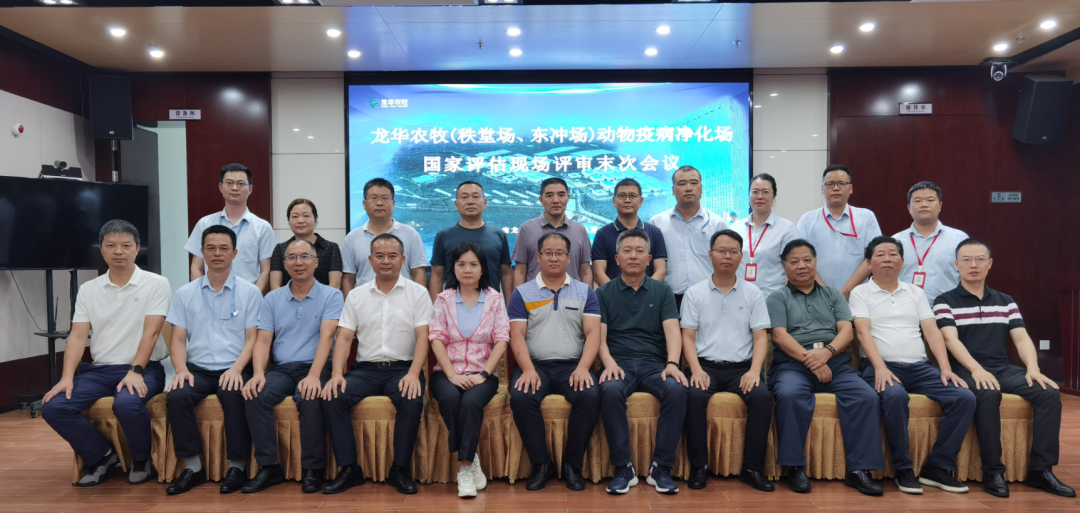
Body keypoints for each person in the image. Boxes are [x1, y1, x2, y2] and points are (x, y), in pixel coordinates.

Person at [934, 238, 1075, 498]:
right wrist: (976, 369)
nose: (973, 265)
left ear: (990, 264)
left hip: (1002, 367)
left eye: (980, 259)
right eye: (966, 260)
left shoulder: (1005, 301)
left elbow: (1021, 338)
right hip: (965, 369)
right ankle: (993, 472)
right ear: (956, 264)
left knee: (1048, 393)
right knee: (988, 394)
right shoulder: (944, 301)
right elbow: (950, 340)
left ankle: (1040, 471)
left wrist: (1033, 368)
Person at [42, 220, 171, 487]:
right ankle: (101, 455)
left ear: (137, 249)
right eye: (111, 245)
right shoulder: (89, 289)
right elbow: (78, 336)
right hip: (101, 370)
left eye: (126, 245)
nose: (118, 251)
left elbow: (152, 333)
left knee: (126, 403)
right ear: (101, 250)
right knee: (54, 407)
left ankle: (141, 459)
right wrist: (66, 377)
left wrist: (135, 370)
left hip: (144, 368)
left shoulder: (156, 283)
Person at [850, 236, 975, 495]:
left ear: (902, 261)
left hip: (920, 368)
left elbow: (931, 331)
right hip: (881, 366)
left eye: (893, 254)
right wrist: (880, 367)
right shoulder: (860, 293)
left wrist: (945, 368)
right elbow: (862, 332)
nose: (887, 259)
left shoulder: (915, 292)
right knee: (895, 396)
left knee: (964, 397)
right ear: (868, 263)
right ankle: (903, 469)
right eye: (880, 254)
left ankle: (937, 467)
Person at [766, 239, 883, 496]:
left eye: (807, 260)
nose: (802, 266)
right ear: (784, 266)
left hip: (835, 362)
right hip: (792, 365)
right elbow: (779, 336)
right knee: (790, 394)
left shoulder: (833, 295)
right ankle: (794, 467)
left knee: (866, 396)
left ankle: (859, 470)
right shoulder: (777, 298)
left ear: (816, 262)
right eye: (794, 261)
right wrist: (812, 361)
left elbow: (846, 331)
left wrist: (826, 354)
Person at [321, 233, 430, 495]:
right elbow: (344, 338)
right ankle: (350, 469)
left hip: (403, 369)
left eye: (392, 256)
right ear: (370, 260)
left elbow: (423, 337)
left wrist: (414, 373)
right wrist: (337, 374)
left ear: (403, 260)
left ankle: (399, 469)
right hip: (365, 371)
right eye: (379, 256)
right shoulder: (356, 296)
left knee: (411, 398)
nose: (386, 261)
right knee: (332, 395)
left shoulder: (418, 293)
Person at [164, 225, 262, 495]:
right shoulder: (185, 293)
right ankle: (193, 467)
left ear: (234, 253)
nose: (217, 253)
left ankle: (237, 467)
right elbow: (178, 339)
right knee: (177, 396)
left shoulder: (250, 292)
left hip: (236, 366)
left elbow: (253, 339)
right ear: (202, 252)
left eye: (223, 248)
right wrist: (180, 369)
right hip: (197, 368)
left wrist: (237, 369)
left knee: (234, 394)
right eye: (211, 248)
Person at [241, 239, 343, 494]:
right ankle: (269, 467)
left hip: (318, 367)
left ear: (316, 262)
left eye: (305, 256)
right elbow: (263, 341)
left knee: (309, 396)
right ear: (284, 264)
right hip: (282, 369)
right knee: (255, 394)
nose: (299, 262)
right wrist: (258, 373)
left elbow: (328, 336)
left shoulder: (332, 295)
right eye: (292, 257)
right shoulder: (272, 298)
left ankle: (313, 469)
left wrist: (314, 375)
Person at [595, 228, 688, 495]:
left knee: (677, 389)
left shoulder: (662, 291)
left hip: (654, 364)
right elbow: (598, 337)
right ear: (617, 259)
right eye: (627, 251)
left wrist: (672, 364)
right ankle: (623, 467)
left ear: (649, 259)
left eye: (639, 251)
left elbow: (672, 331)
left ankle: (662, 468)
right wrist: (609, 363)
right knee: (609, 390)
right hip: (618, 363)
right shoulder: (603, 293)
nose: (633, 256)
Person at [680, 229, 773, 492]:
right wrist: (695, 369)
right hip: (704, 367)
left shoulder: (753, 293)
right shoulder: (694, 293)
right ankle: (699, 467)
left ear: (741, 256)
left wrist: (754, 371)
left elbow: (761, 337)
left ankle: (752, 469)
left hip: (741, 369)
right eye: (721, 251)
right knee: (693, 396)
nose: (727, 256)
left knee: (762, 397)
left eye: (733, 251)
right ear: (710, 254)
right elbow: (687, 337)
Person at [508, 233, 601, 492]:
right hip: (534, 365)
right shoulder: (522, 293)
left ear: (569, 258)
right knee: (521, 397)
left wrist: (583, 368)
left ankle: (573, 465)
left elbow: (593, 333)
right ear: (538, 258)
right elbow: (516, 335)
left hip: (572, 365)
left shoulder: (585, 292)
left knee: (590, 395)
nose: (554, 258)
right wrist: (527, 369)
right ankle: (541, 464)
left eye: (560, 253)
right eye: (548, 253)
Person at [428, 242, 511, 498]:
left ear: (482, 269)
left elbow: (502, 340)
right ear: (453, 268)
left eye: (473, 264)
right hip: (446, 372)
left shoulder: (495, 300)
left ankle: (464, 470)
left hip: (483, 374)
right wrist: (452, 375)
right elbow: (436, 338)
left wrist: (483, 374)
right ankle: (472, 457)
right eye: (461, 264)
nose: (467, 269)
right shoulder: (443, 299)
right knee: (450, 398)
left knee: (470, 403)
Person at [185, 163, 277, 292]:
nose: (234, 188)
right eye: (229, 183)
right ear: (221, 187)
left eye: (241, 184)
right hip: (210, 295)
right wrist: (200, 295)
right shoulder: (205, 223)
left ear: (250, 189)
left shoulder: (262, 227)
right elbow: (197, 266)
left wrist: (254, 297)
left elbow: (266, 269)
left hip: (247, 296)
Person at [649, 165, 728, 310]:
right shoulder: (656, 222)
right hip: (668, 299)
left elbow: (725, 263)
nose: (688, 188)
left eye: (694, 183)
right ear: (673, 190)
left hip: (709, 297)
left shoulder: (718, 224)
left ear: (701, 188)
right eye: (682, 183)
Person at [796, 165, 881, 298]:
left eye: (842, 183)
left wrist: (846, 291)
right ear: (822, 189)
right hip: (816, 296)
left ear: (851, 188)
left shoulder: (866, 217)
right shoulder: (807, 220)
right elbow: (801, 258)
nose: (836, 188)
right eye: (830, 184)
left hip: (857, 296)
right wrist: (824, 292)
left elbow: (873, 257)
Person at [340, 178, 427, 298]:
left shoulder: (410, 234)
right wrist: (348, 306)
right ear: (364, 204)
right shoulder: (352, 238)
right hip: (365, 303)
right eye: (374, 198)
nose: (379, 203)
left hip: (404, 302)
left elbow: (418, 273)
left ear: (393, 204)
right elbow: (348, 278)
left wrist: (420, 302)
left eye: (385, 198)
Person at [430, 181, 513, 303]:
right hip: (453, 307)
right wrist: (436, 309)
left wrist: (510, 308)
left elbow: (506, 274)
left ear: (485, 203)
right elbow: (437, 276)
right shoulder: (443, 235)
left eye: (475, 196)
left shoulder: (498, 234)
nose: (470, 201)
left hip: (491, 307)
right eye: (464, 197)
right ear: (456, 204)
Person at [892, 181, 968, 303]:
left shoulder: (959, 238)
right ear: (909, 208)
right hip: (904, 308)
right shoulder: (895, 241)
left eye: (930, 200)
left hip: (948, 308)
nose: (924, 205)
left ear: (940, 205)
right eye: (917, 201)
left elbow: (969, 275)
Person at [512, 178, 593, 288]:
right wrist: (518, 298)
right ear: (541, 200)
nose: (556, 200)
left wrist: (588, 298)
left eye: (561, 195)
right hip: (535, 297)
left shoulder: (580, 230)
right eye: (549, 195)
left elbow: (585, 272)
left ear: (568, 198)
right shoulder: (526, 229)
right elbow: (520, 272)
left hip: (573, 297)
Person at [592, 178, 667, 286]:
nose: (627, 200)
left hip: (649, 295)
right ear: (614, 201)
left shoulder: (655, 232)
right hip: (613, 295)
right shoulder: (602, 234)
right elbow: (599, 274)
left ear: (641, 201)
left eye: (633, 196)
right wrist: (616, 294)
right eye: (622, 196)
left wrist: (646, 293)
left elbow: (660, 271)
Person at [734, 173, 800, 297]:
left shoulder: (786, 228)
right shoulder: (735, 228)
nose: (759, 197)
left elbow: (794, 265)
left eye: (765, 192)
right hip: (740, 297)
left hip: (772, 298)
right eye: (754, 192)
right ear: (749, 195)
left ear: (774, 196)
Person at [270, 198, 343, 290]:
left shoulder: (331, 248)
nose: (300, 220)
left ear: (315, 219)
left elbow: (335, 285)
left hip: (324, 299)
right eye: (295, 216)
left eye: (306, 216)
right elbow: (275, 286)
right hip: (288, 299)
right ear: (289, 221)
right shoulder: (280, 249)